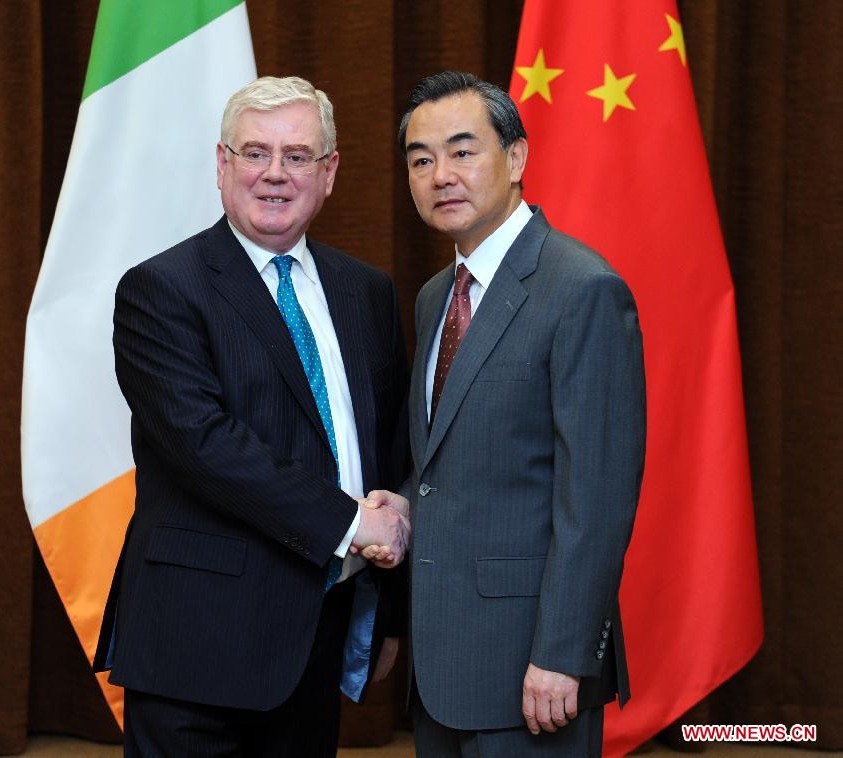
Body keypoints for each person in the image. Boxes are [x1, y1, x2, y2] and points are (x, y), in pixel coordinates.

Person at [92, 76, 411, 757]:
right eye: (254, 152)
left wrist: (391, 609)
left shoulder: (368, 292)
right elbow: (205, 445)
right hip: (198, 644)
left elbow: (389, 452)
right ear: (221, 164)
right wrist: (355, 523)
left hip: (319, 633)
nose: (274, 174)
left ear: (328, 174)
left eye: (297, 156)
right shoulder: (161, 290)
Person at [365, 71, 646, 756]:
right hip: (443, 660)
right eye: (421, 159)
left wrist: (564, 652)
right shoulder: (437, 295)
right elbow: (454, 463)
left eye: (463, 151)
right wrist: (403, 505)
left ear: (516, 158)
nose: (441, 175)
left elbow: (598, 496)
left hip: (534, 670)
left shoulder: (583, 289)